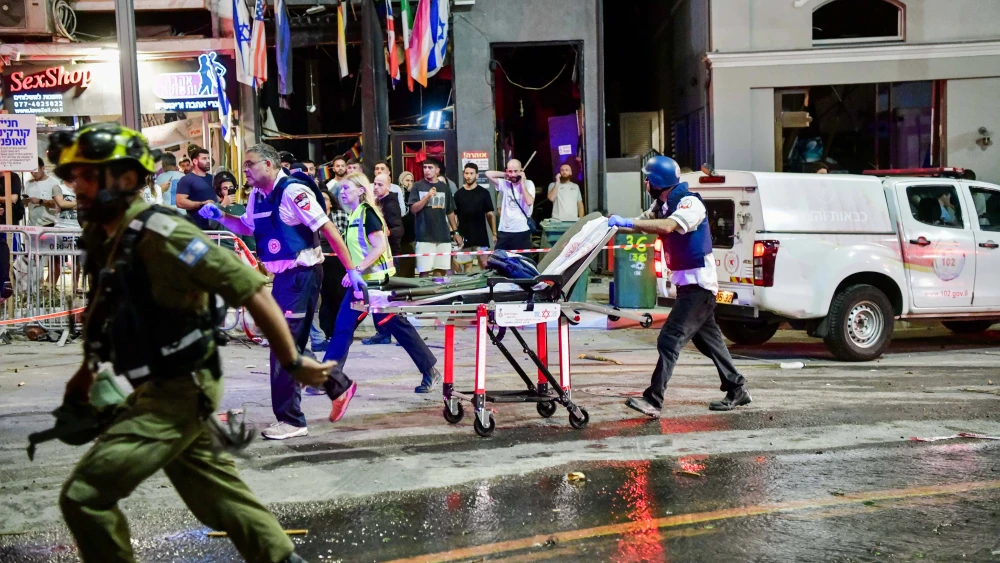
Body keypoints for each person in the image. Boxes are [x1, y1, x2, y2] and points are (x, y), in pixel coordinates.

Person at [47, 123, 321, 563]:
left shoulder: (164, 233)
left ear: (125, 178)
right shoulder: (103, 235)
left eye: (88, 175)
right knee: (217, 495)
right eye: (73, 176)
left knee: (84, 496)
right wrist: (86, 372)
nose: (76, 186)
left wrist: (293, 361)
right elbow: (103, 309)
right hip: (151, 382)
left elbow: (248, 288)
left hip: (180, 386)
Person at [200, 143, 366, 440]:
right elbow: (248, 227)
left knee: (283, 347)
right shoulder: (257, 196)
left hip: (302, 276)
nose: (245, 170)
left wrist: (351, 270)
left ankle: (292, 420)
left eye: (250, 164)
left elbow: (327, 228)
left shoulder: (293, 192)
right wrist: (220, 215)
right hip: (283, 279)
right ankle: (338, 385)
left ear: (269, 164)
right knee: (288, 343)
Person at [607, 155, 751, 418]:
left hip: (699, 287)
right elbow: (643, 223)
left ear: (658, 181)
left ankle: (653, 400)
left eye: (648, 179)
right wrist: (609, 227)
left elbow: (668, 226)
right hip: (689, 287)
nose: (646, 183)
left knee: (669, 339)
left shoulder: (689, 204)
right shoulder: (662, 205)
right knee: (710, 343)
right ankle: (737, 388)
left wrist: (627, 222)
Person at [324, 172, 442, 393]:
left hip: (377, 286)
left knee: (398, 327)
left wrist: (356, 270)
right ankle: (329, 378)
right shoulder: (354, 214)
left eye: (347, 188)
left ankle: (430, 371)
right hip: (362, 286)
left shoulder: (368, 213)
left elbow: (379, 247)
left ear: (360, 190)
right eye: (341, 189)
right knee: (343, 328)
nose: (342, 192)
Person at [408, 158, 462, 277]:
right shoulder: (417, 186)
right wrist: (427, 197)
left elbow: (450, 211)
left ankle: (438, 289)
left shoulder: (444, 188)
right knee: (424, 271)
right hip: (424, 236)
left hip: (443, 235)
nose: (426, 170)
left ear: (437, 170)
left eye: (430, 167)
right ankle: (425, 290)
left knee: (441, 270)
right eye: (424, 167)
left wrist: (455, 232)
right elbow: (413, 209)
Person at [454, 162, 496, 271]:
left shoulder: (484, 193)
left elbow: (490, 214)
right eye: (466, 173)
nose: (468, 176)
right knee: (467, 266)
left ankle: (486, 282)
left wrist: (494, 233)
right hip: (464, 235)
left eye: (471, 173)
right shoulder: (458, 194)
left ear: (477, 175)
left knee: (484, 263)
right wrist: (455, 233)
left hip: (481, 235)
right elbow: (454, 216)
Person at [487, 159, 535, 251]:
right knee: (499, 258)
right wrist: (506, 174)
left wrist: (522, 184)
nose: (513, 174)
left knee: (522, 259)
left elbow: (529, 202)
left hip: (522, 230)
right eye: (510, 171)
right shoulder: (506, 184)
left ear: (521, 171)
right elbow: (488, 174)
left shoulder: (528, 184)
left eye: (516, 171)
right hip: (505, 231)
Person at [175, 148, 217, 230]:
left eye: (209, 158)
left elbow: (218, 198)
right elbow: (180, 202)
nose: (208, 161)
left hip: (216, 226)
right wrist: (202, 203)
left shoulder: (213, 178)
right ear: (195, 161)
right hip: (198, 227)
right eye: (204, 158)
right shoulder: (186, 180)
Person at [213, 171, 255, 252]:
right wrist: (223, 204)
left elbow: (247, 233)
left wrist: (252, 250)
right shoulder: (215, 207)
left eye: (231, 188)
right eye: (225, 188)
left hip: (238, 250)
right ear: (219, 191)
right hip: (221, 249)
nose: (229, 190)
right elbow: (212, 224)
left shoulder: (241, 208)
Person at [24, 157, 59, 227]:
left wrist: (40, 201)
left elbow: (58, 204)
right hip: (32, 225)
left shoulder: (54, 183)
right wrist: (24, 202)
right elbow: (25, 204)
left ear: (43, 168)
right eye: (31, 171)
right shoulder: (28, 183)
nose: (33, 173)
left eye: (35, 170)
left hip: (50, 224)